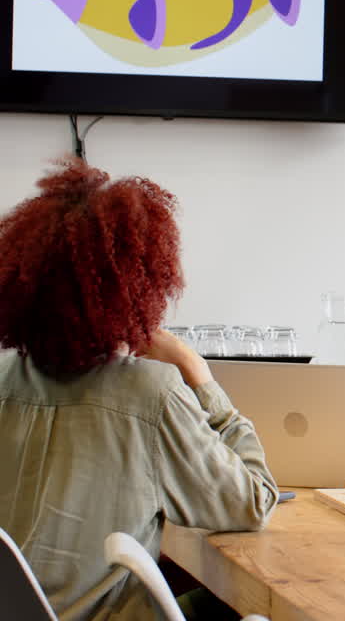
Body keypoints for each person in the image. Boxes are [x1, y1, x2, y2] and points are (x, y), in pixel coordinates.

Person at [0, 160, 279, 620]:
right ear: (141, 286)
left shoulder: (4, 377)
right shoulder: (151, 393)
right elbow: (251, 503)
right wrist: (198, 373)